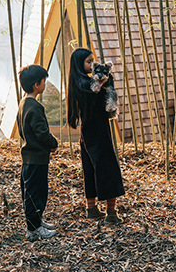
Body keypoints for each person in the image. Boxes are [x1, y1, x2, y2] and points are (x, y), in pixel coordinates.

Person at [67, 47, 125, 224]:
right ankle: (111, 213)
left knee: (90, 166)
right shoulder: (90, 84)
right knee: (108, 167)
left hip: (87, 129)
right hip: (98, 129)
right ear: (79, 64)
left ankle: (91, 208)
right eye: (88, 61)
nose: (92, 64)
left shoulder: (77, 82)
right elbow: (102, 93)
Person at [17, 64, 59, 241]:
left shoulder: (23, 103)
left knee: (33, 191)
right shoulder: (35, 107)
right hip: (36, 158)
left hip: (29, 156)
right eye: (44, 81)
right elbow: (42, 133)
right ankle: (33, 229)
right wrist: (53, 143)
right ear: (37, 84)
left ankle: (37, 221)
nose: (45, 84)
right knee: (36, 193)